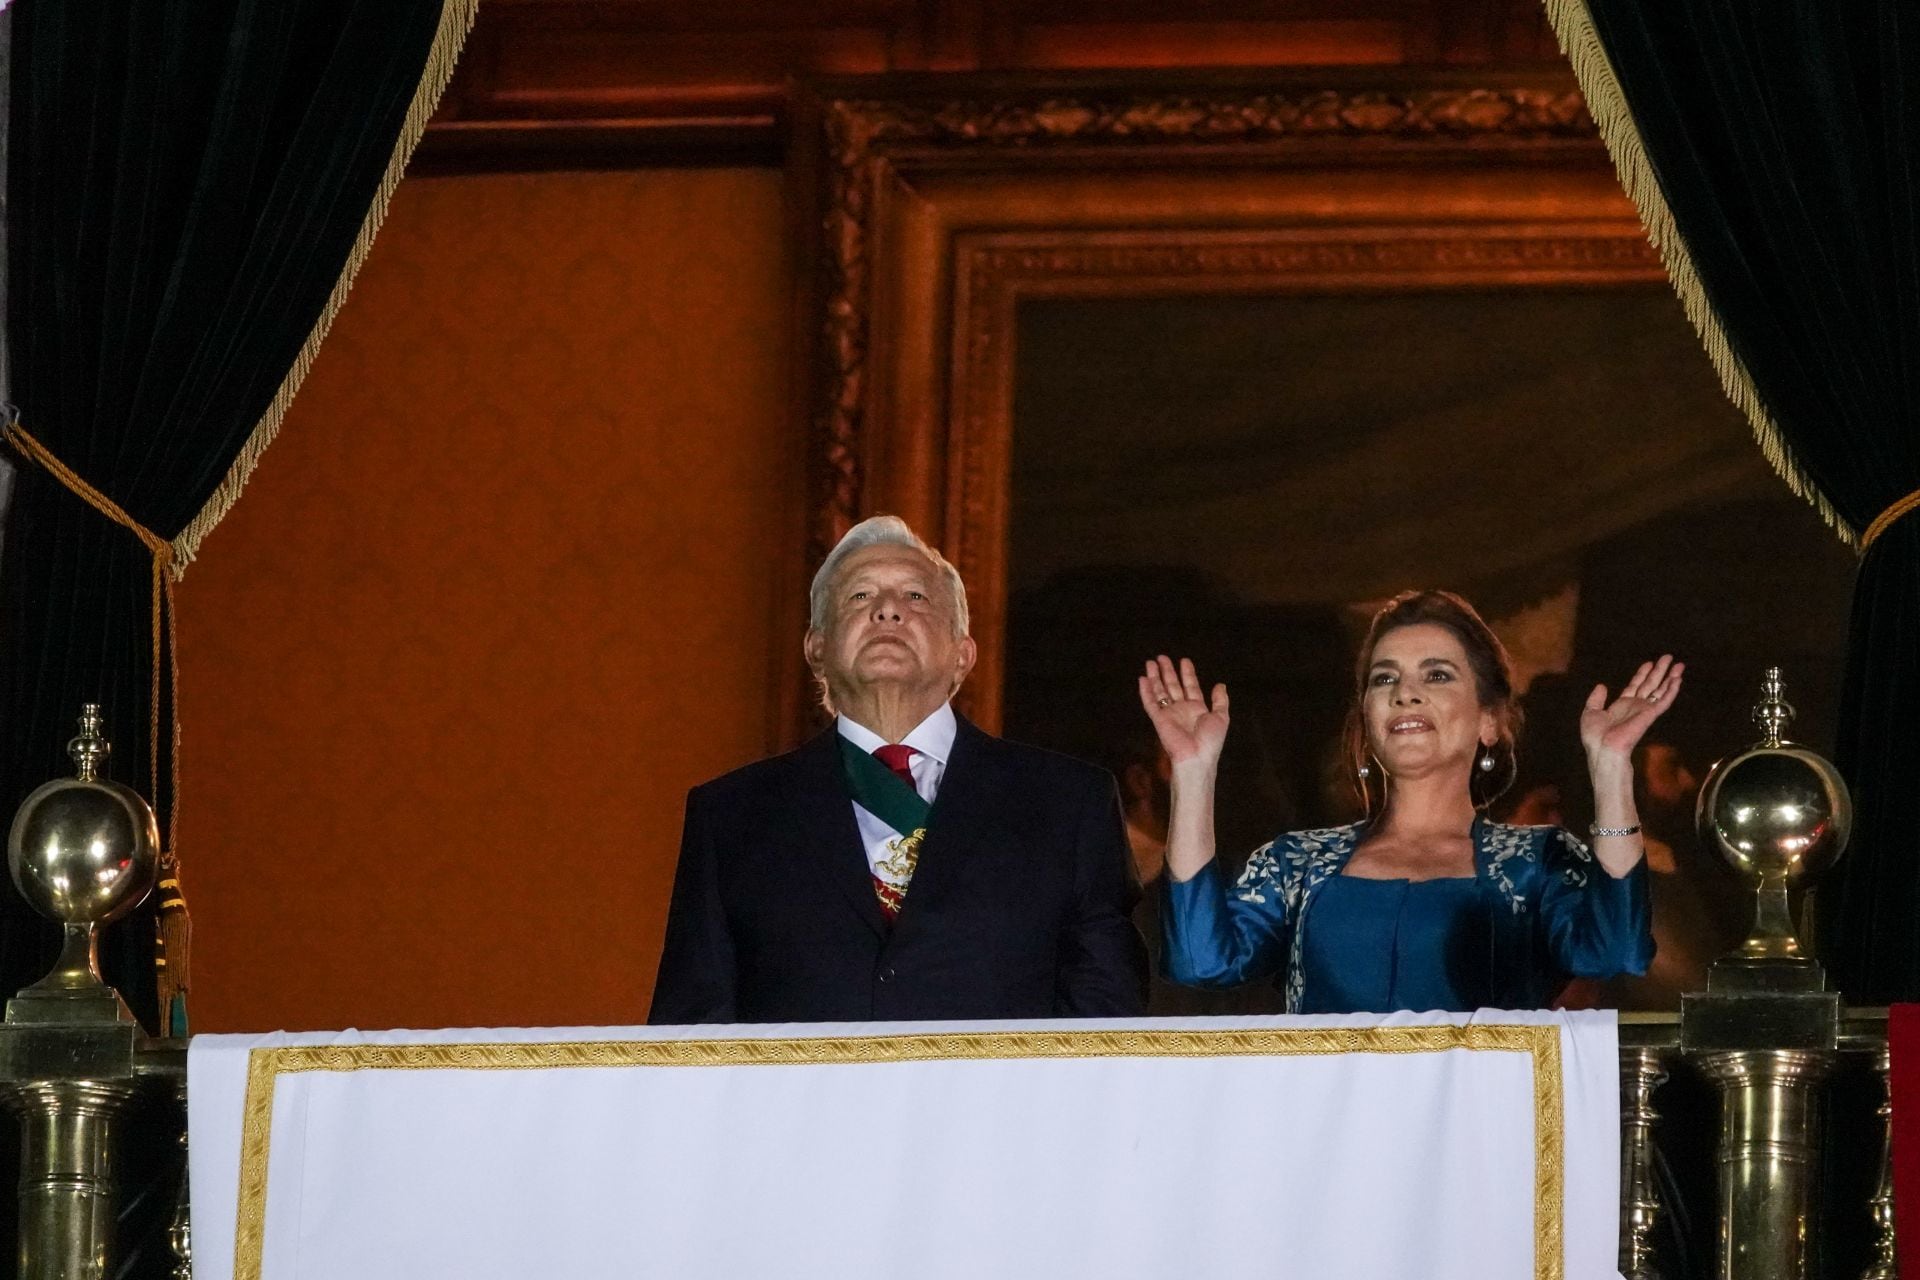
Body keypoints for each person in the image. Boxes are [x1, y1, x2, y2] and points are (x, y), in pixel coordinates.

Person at [649, 515, 1147, 1024]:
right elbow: (690, 1035)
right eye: (860, 597)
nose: (888, 610)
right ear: (816, 649)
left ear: (962, 653)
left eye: (916, 597)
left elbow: (1106, 1022)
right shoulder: (732, 815)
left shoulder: (1068, 803)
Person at [1141, 589, 1668, 1013]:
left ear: (1489, 719)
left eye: (1437, 675)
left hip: (1480, 1137)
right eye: (1384, 677)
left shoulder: (1536, 861)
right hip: (1331, 1138)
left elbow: (1615, 948)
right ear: (1366, 721)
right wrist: (1192, 769)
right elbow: (1199, 961)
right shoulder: (1297, 863)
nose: (1404, 692)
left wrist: (1611, 765)